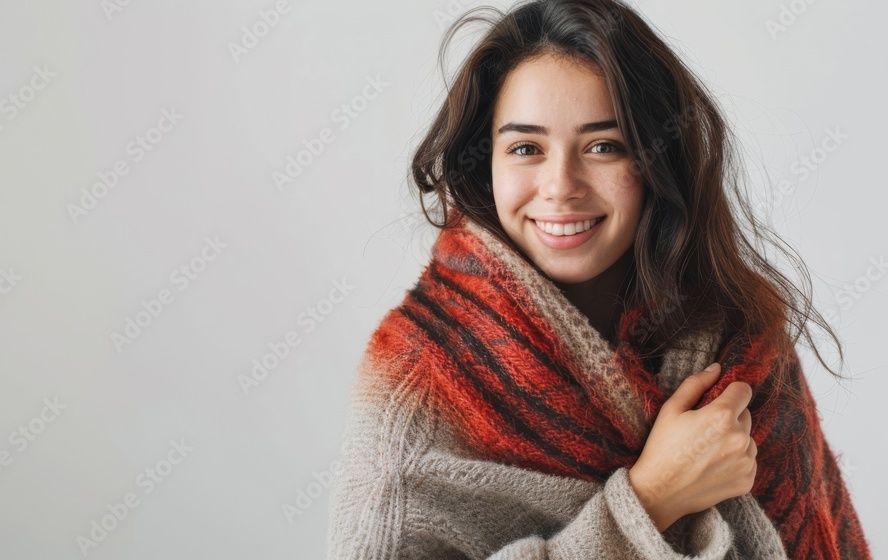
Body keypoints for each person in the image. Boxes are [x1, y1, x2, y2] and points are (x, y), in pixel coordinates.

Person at [325, 0, 872, 557]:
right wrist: (651, 501)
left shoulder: (736, 334)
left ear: (656, 162)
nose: (560, 185)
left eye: (603, 147)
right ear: (484, 163)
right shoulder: (421, 376)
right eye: (525, 148)